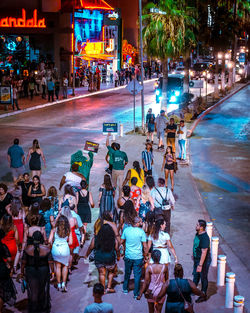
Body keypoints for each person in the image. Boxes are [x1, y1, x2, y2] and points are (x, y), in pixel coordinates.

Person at [21, 231, 54, 313]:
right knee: (42, 288)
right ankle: (42, 308)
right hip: (43, 271)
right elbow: (51, 262)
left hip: (31, 271)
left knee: (33, 290)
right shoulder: (46, 249)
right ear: (41, 238)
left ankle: (34, 309)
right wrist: (52, 272)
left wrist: (22, 273)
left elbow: (23, 263)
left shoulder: (27, 249)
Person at [85, 224, 119, 293]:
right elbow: (117, 249)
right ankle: (109, 288)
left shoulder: (96, 238)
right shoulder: (113, 239)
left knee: (102, 273)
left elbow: (91, 247)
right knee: (111, 272)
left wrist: (86, 255)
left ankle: (103, 289)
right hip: (110, 258)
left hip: (99, 258)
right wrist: (118, 256)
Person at [121, 216, 147, 298]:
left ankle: (125, 289)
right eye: (140, 222)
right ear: (137, 223)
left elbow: (121, 241)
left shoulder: (126, 230)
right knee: (137, 275)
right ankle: (136, 294)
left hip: (128, 255)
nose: (141, 223)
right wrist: (145, 255)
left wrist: (123, 248)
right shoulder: (141, 232)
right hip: (138, 257)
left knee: (127, 273)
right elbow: (145, 246)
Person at [49, 215, 72, 292]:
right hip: (65, 249)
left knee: (58, 267)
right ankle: (64, 284)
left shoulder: (54, 229)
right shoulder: (68, 230)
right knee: (65, 266)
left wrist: (53, 245)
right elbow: (71, 242)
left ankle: (58, 284)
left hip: (56, 248)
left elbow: (49, 241)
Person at [192, 219, 211, 303]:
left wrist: (200, 265)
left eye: (197, 225)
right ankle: (193, 290)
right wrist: (194, 254)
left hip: (203, 261)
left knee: (203, 277)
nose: (196, 226)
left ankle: (203, 295)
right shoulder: (198, 233)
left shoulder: (205, 238)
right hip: (197, 259)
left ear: (202, 228)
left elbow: (204, 252)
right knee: (196, 275)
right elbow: (196, 245)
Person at [0, 229, 17, 312]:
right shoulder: (2, 246)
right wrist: (8, 265)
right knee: (2, 290)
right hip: (1, 268)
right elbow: (9, 259)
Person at [7, 198, 25, 271]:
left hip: (13, 227)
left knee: (14, 243)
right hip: (20, 227)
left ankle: (14, 262)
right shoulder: (21, 211)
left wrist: (11, 204)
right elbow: (23, 220)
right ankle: (16, 263)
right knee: (20, 245)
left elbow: (6, 207)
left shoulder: (11, 211)